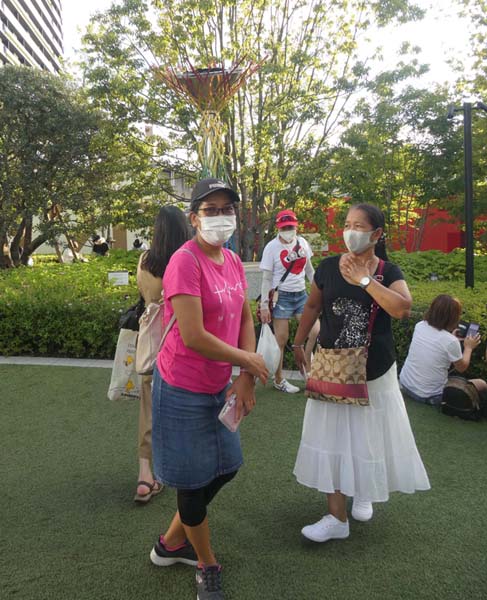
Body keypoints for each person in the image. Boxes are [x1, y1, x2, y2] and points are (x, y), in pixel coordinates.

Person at [150, 178, 268, 599]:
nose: (221, 217)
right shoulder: (185, 262)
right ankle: (206, 563)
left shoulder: (233, 260)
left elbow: (245, 318)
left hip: (219, 385)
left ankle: (170, 543)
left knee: (227, 467)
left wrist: (245, 375)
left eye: (227, 209)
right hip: (181, 388)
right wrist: (248, 360)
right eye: (211, 209)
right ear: (194, 218)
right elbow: (194, 335)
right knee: (191, 482)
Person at [292, 203, 430, 543]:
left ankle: (364, 490)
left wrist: (364, 280)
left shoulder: (387, 272)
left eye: (359, 226)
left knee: (368, 436)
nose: (350, 231)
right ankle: (336, 517)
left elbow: (402, 308)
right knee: (330, 437)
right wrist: (298, 342)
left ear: (376, 234)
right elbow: (313, 305)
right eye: (348, 224)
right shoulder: (327, 267)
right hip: (333, 368)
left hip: (374, 372)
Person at [134, 206, 191, 503]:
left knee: (148, 406)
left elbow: (143, 295)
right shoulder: (187, 260)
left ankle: (145, 475)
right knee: (184, 405)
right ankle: (181, 468)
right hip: (179, 340)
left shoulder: (145, 260)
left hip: (149, 339)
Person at [259, 209, 319, 393]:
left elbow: (309, 270)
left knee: (315, 330)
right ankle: (279, 379)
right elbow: (266, 278)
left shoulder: (302, 243)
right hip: (282, 296)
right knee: (281, 339)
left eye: (290, 227)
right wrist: (264, 305)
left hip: (301, 294)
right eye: (284, 227)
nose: (288, 231)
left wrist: (319, 291)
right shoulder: (271, 247)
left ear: (296, 226)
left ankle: (307, 367)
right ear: (278, 228)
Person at [399, 294, 485, 405]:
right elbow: (461, 368)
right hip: (429, 396)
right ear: (453, 317)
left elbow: (436, 344)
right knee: (481, 383)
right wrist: (468, 348)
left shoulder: (420, 325)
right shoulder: (450, 341)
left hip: (405, 384)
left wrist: (452, 339)